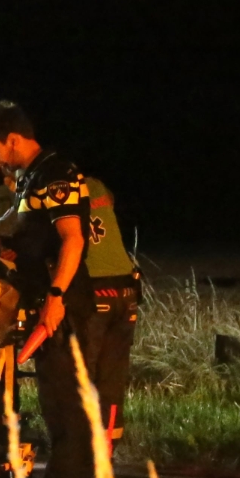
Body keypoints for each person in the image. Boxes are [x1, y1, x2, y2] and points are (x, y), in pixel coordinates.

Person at [0, 102, 95, 478]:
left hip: (64, 302)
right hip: (48, 297)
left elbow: (72, 239)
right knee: (59, 395)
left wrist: (56, 298)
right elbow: (29, 222)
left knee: (63, 397)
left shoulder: (56, 173)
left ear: (14, 140)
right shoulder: (33, 177)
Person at [82, 175, 139, 444]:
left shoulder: (50, 191)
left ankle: (80, 451)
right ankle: (108, 448)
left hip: (93, 291)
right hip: (126, 291)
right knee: (113, 377)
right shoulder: (96, 186)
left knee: (81, 375)